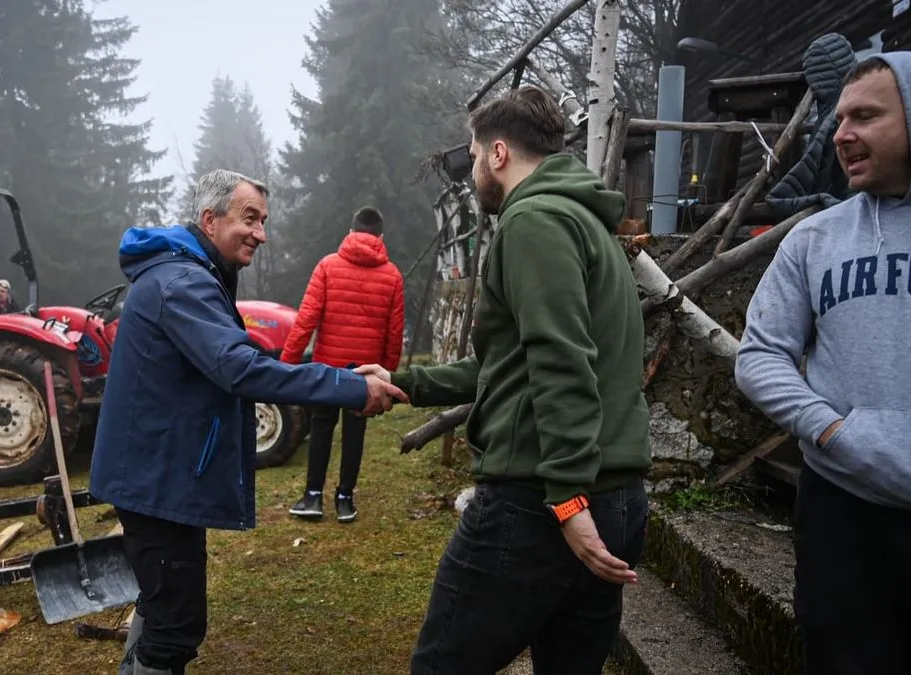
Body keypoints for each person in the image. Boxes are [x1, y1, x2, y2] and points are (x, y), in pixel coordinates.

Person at [356, 85, 651, 674]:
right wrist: (408, 383)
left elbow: (561, 361)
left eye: (470, 155)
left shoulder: (534, 222)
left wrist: (566, 498)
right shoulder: (590, 225)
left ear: (496, 153)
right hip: (615, 499)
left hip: (538, 502)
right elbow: (510, 364)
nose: (470, 173)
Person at [88, 169, 408, 675]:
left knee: (160, 607)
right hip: (156, 478)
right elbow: (239, 367)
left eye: (264, 220)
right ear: (210, 220)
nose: (261, 233)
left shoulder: (190, 273)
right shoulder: (183, 283)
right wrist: (349, 388)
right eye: (250, 219)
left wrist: (345, 374)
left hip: (160, 474)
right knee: (175, 628)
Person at [735, 53, 911, 675]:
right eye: (839, 119)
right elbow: (759, 356)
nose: (840, 134)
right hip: (844, 510)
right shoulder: (814, 239)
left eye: (865, 115)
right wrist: (833, 429)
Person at [280, 205, 405, 523]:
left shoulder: (327, 266)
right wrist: (387, 379)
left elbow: (306, 319)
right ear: (381, 237)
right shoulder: (392, 276)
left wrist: (287, 364)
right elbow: (394, 334)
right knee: (355, 432)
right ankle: (345, 498)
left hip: (328, 369)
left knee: (321, 427)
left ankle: (312, 497)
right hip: (366, 375)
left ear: (350, 233)